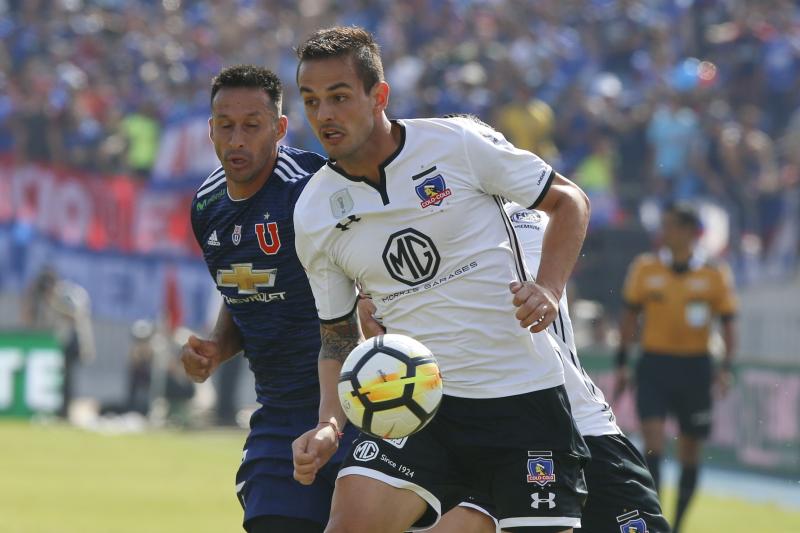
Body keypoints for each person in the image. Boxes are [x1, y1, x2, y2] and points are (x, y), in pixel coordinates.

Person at [291, 27, 591, 533]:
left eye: (339, 97)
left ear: (378, 96)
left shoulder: (456, 145)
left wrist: (548, 287)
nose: (324, 115)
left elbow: (569, 201)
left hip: (523, 401)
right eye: (310, 100)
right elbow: (338, 336)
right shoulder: (314, 212)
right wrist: (329, 423)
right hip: (416, 405)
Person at [181, 64, 356, 533]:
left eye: (252, 126)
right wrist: (219, 345)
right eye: (225, 126)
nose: (236, 140)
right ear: (210, 129)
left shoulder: (316, 189)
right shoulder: (206, 207)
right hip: (280, 413)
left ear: (279, 129)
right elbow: (245, 289)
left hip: (358, 405)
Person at [615, 202, 738, 533]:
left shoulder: (714, 273)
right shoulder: (645, 268)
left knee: (690, 450)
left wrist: (726, 367)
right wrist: (623, 363)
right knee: (653, 440)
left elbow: (728, 324)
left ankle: (679, 525)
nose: (663, 233)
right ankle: (655, 521)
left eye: (670, 226)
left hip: (696, 368)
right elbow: (628, 317)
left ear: (688, 231)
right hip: (654, 365)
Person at [21, 267, 95, 419]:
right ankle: (55, 409)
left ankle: (64, 412)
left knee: (67, 379)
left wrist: (55, 302)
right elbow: (29, 319)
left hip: (73, 340)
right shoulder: (40, 295)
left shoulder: (67, 294)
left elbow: (75, 316)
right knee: (54, 377)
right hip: (57, 341)